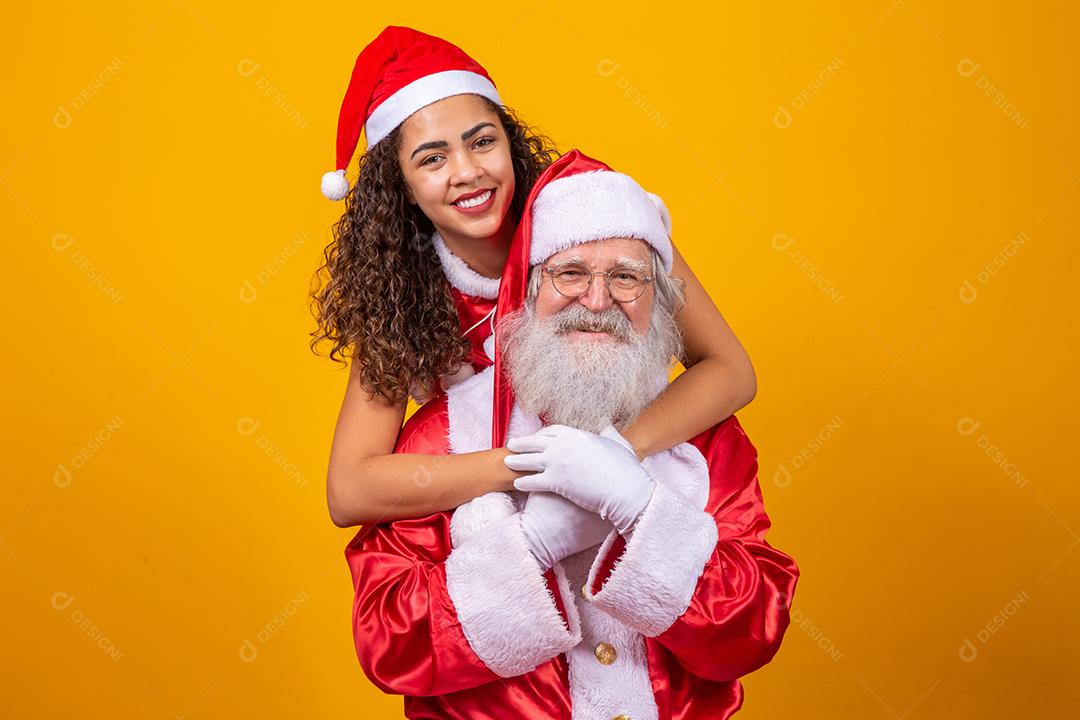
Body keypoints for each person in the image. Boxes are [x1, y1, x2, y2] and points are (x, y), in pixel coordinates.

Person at [344, 152, 799, 719]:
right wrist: (531, 543)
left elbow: (751, 633)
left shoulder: (705, 441)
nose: (598, 300)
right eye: (571, 272)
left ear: (658, 299)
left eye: (627, 277)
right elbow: (390, 647)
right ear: (528, 289)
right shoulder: (444, 439)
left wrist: (639, 508)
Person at [310, 26, 758, 527]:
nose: (467, 171)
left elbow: (731, 371)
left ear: (511, 143)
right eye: (432, 158)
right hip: (509, 528)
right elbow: (350, 490)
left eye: (482, 142)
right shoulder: (402, 290)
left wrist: (609, 455)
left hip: (638, 488)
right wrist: (540, 465)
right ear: (405, 188)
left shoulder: (596, 213)